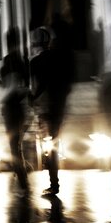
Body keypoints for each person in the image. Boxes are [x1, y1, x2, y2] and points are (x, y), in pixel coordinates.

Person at [29, 23, 73, 196]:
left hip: (45, 109)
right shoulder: (58, 58)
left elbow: (37, 86)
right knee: (53, 144)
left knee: (48, 147)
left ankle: (54, 183)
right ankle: (54, 183)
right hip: (58, 107)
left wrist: (33, 99)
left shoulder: (35, 62)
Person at [0, 27, 30, 195]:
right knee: (17, 145)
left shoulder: (8, 62)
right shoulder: (21, 61)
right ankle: (22, 177)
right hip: (18, 107)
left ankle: (22, 181)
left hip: (10, 107)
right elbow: (26, 86)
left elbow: (5, 86)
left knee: (14, 146)